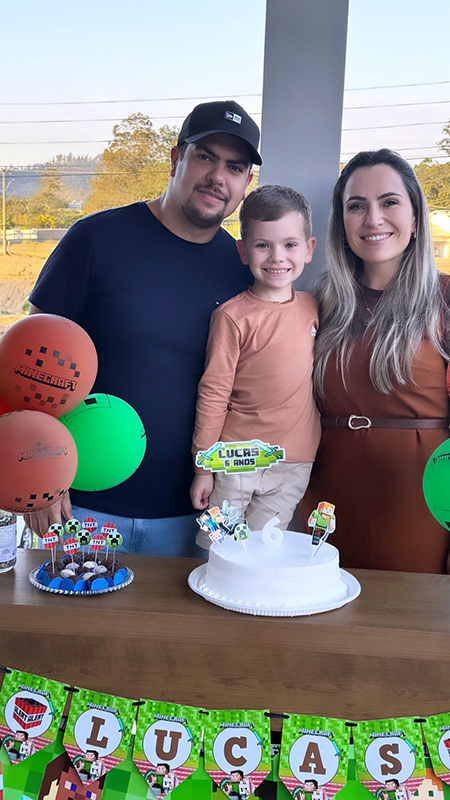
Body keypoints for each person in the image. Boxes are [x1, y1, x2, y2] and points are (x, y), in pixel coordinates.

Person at [25, 100, 261, 556]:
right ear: (176, 158)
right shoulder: (95, 240)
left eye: (234, 167)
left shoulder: (243, 272)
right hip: (81, 507)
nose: (218, 176)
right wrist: (38, 474)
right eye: (205, 156)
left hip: (195, 518)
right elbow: (26, 369)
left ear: (246, 183)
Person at [301, 148, 450, 573]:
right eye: (356, 206)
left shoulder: (446, 298)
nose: (373, 218)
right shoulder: (318, 302)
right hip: (322, 508)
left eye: (389, 202)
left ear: (416, 218)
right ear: (341, 223)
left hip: (419, 507)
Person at [191, 185, 320, 545]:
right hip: (235, 458)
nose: (277, 257)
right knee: (218, 548)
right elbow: (214, 392)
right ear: (243, 251)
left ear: (309, 249)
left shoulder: (314, 308)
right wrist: (203, 467)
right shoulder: (231, 317)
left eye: (290, 244)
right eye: (263, 245)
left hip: (294, 463)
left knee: (264, 554)